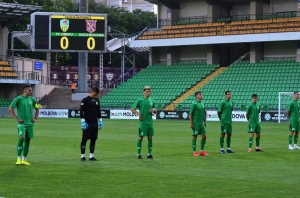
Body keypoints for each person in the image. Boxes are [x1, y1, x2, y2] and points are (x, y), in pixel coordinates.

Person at [8, 84, 39, 165]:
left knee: (28, 140)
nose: (31, 92)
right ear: (25, 91)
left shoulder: (32, 99)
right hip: (22, 124)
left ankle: (24, 159)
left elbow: (37, 108)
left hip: (30, 124)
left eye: (31, 90)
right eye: (30, 90)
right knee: (21, 138)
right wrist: (16, 118)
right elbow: (10, 107)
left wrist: (35, 118)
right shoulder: (18, 98)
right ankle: (18, 159)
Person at [130, 86, 156, 159]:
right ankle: (138, 154)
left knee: (150, 138)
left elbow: (155, 109)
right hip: (142, 123)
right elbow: (132, 109)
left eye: (149, 91)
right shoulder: (140, 100)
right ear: (144, 92)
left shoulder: (152, 100)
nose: (148, 92)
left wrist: (154, 110)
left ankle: (149, 154)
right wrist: (138, 114)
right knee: (140, 138)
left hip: (150, 123)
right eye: (147, 91)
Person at [80, 86, 103, 161]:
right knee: (84, 139)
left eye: (96, 95)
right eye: (95, 94)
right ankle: (82, 156)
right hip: (87, 122)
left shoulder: (97, 100)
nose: (95, 96)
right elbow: (81, 111)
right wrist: (83, 121)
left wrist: (100, 120)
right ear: (92, 92)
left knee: (93, 139)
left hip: (94, 122)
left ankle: (91, 156)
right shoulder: (85, 100)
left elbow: (98, 110)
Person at [189, 91, 208, 157]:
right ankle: (194, 151)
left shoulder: (202, 103)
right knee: (195, 137)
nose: (201, 95)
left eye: (201, 94)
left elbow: (203, 113)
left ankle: (201, 151)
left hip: (201, 123)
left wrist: (204, 121)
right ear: (196, 96)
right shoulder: (194, 104)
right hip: (195, 123)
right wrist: (191, 123)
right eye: (200, 94)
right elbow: (190, 114)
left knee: (204, 136)